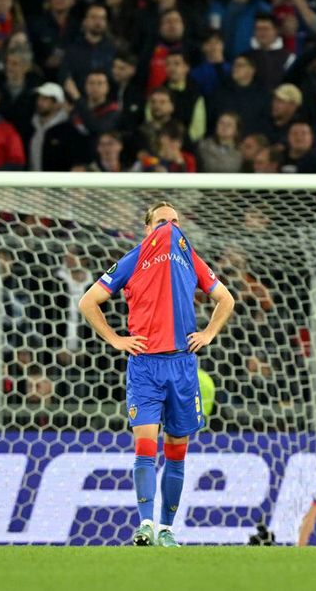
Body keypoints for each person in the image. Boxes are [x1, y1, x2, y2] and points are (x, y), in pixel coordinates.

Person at [78, 202, 235, 547]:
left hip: (182, 366)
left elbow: (226, 299)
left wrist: (209, 333)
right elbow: (88, 301)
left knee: (176, 451)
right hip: (146, 366)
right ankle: (145, 524)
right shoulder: (134, 258)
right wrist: (116, 339)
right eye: (163, 221)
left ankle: (166, 529)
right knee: (146, 446)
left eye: (176, 221)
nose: (170, 227)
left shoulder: (189, 257)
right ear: (148, 228)